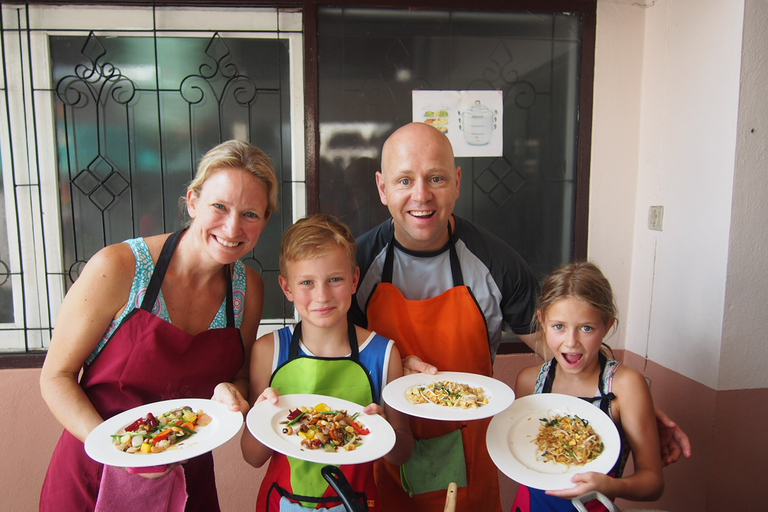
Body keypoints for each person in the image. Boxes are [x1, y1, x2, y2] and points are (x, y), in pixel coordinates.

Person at [350, 122, 691, 512]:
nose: (421, 195)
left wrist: (623, 405)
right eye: (404, 180)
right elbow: (332, 350)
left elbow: (555, 345)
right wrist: (388, 367)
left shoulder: (495, 262)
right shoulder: (357, 265)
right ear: (381, 187)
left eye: (437, 178)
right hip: (392, 442)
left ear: (458, 182)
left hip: (473, 448)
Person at [39, 140, 279, 512]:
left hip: (187, 477)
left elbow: (241, 376)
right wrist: (117, 450)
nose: (233, 227)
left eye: (251, 214)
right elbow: (56, 376)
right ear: (193, 201)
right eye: (219, 206)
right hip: (97, 473)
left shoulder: (248, 289)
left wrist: (232, 391)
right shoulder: (119, 268)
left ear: (265, 221)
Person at [241, 214, 413, 511]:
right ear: (287, 287)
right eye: (307, 282)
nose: (322, 295)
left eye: (335, 279)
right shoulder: (268, 351)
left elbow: (403, 453)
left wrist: (384, 432)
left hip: (356, 502)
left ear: (354, 280)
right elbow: (252, 457)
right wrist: (262, 415)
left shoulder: (383, 354)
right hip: (282, 501)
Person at [512, 261, 664, 511]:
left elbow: (653, 483)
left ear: (607, 326)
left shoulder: (626, 386)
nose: (571, 342)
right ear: (542, 321)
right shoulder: (529, 381)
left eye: (586, 328)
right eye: (558, 327)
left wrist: (610, 485)